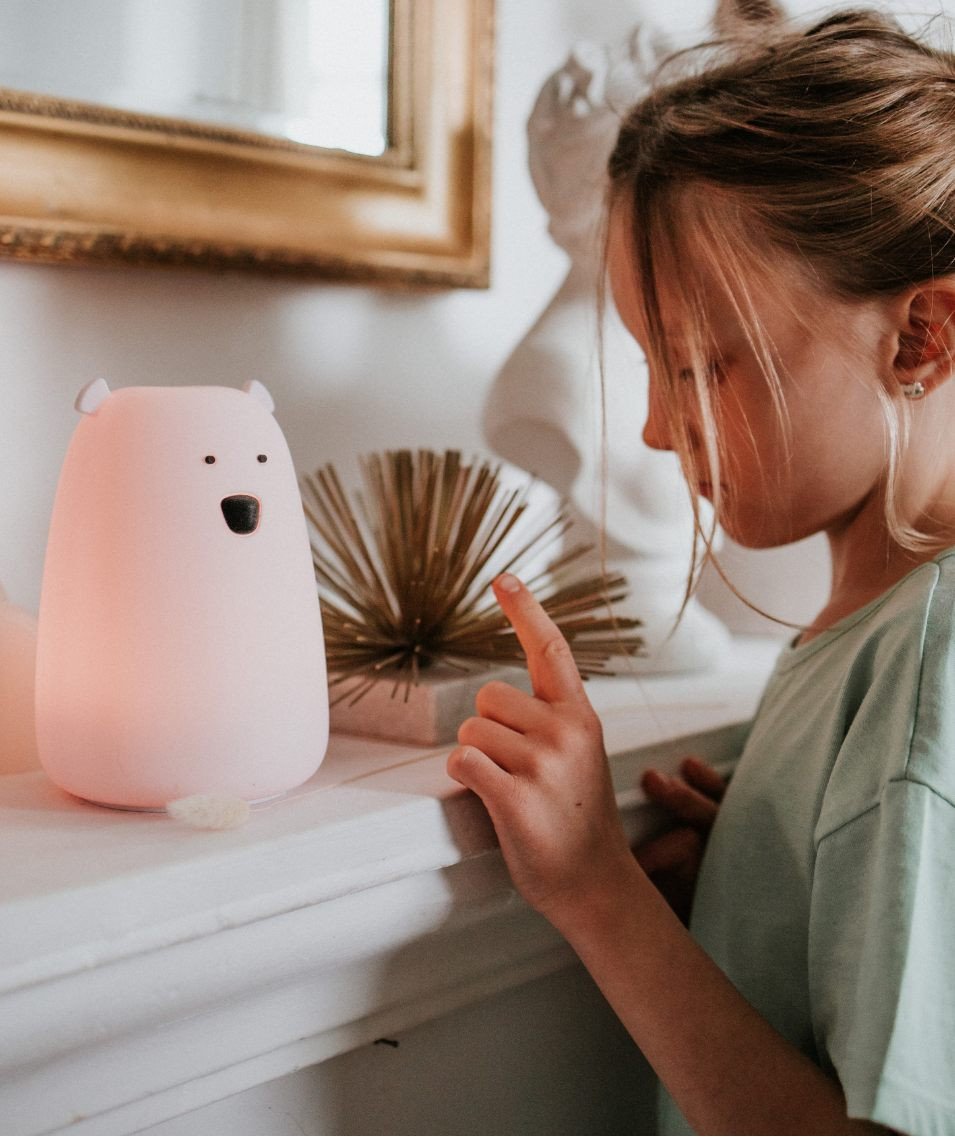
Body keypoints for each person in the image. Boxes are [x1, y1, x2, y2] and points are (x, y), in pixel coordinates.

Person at [447, 8, 955, 1134]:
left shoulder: (924, 664)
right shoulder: (875, 639)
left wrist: (595, 890)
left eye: (692, 366)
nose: (652, 431)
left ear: (918, 339)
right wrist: (759, 896)